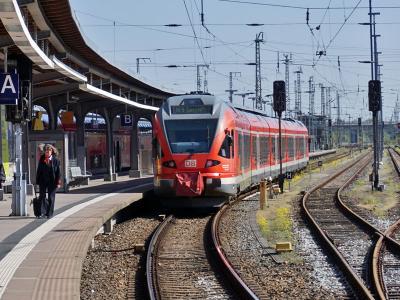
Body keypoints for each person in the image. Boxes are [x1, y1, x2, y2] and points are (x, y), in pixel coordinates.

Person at [36, 144, 61, 218]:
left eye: (48, 152)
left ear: (51, 152)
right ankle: (42, 212)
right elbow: (39, 170)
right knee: (42, 196)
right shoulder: (42, 159)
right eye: (46, 152)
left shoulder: (56, 160)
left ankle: (49, 213)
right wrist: (37, 181)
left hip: (52, 181)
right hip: (43, 180)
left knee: (51, 197)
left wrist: (58, 182)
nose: (46, 153)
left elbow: (58, 173)